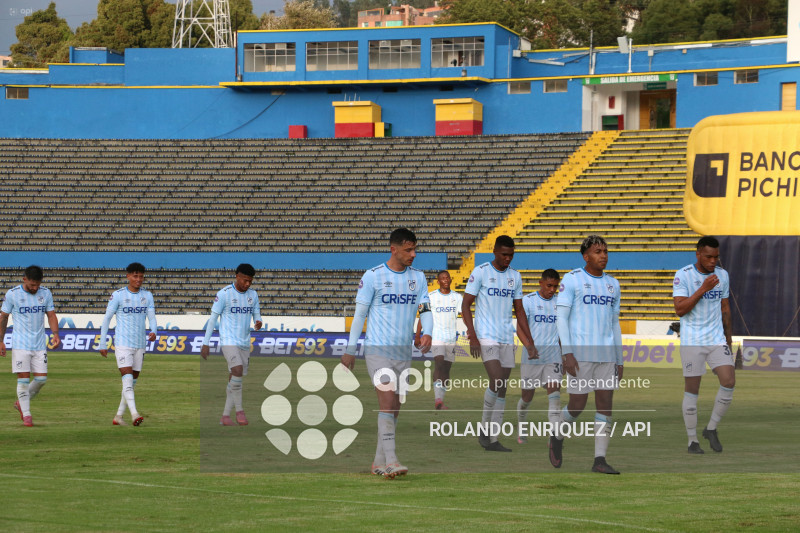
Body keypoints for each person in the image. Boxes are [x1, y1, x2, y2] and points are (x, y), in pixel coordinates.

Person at [341, 228, 433, 479]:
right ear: (394, 249)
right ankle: (392, 461)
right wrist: (350, 350)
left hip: (403, 352)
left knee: (395, 408)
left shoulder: (419, 278)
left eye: (415, 249)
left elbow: (425, 308)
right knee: (387, 401)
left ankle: (378, 461)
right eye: (408, 250)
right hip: (377, 350)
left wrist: (428, 331)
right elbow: (360, 314)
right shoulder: (373, 276)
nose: (413, 254)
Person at [555, 235, 623, 474]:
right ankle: (556, 434)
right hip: (580, 354)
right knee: (577, 405)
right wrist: (567, 353)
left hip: (606, 356)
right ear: (586, 256)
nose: (603, 255)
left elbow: (615, 323)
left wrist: (619, 358)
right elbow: (561, 318)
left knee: (605, 404)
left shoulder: (613, 284)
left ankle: (600, 460)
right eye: (597, 251)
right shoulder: (572, 280)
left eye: (605, 251)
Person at [462, 235, 535, 452]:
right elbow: (466, 305)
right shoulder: (481, 272)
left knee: (502, 389)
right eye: (504, 254)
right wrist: (473, 335)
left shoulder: (515, 276)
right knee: (496, 379)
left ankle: (493, 439)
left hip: (506, 337)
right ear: (494, 251)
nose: (508, 258)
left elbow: (519, 310)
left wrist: (529, 341)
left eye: (511, 255)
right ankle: (484, 430)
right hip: (486, 335)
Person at [673, 236, 734, 454]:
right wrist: (702, 289)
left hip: (716, 339)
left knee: (729, 381)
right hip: (692, 341)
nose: (713, 262)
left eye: (716, 257)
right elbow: (679, 310)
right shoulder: (683, 275)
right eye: (708, 257)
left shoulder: (723, 275)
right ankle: (692, 441)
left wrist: (729, 339)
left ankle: (711, 428)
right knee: (692, 391)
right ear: (698, 254)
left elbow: (725, 307)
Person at [200, 264, 262, 427]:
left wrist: (258, 321)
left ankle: (225, 416)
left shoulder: (253, 295)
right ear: (237, 276)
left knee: (235, 378)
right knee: (237, 370)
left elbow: (256, 312)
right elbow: (213, 319)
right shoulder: (224, 294)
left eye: (250, 281)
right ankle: (240, 412)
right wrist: (205, 343)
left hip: (244, 341)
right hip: (228, 340)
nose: (247, 284)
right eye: (245, 280)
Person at [98, 262, 158, 426]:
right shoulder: (117, 295)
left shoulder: (147, 296)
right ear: (128, 276)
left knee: (131, 383)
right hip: (123, 344)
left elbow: (151, 317)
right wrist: (102, 343)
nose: (138, 279)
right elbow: (106, 320)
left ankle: (118, 416)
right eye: (135, 276)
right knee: (127, 379)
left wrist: (154, 331)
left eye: (141, 276)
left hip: (140, 344)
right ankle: (134, 414)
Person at [0, 265, 59, 427]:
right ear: (24, 279)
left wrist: (55, 334)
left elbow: (51, 314)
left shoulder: (45, 293)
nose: (35, 288)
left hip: (39, 345)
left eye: (37, 285)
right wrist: (1, 340)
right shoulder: (13, 294)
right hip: (20, 345)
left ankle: (21, 402)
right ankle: (27, 415)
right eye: (32, 285)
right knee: (24, 380)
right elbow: (3, 317)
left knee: (41, 379)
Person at [516, 268, 564, 468]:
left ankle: (554, 437)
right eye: (549, 286)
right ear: (541, 283)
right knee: (527, 396)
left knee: (554, 395)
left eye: (555, 286)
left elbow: (563, 332)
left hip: (553, 357)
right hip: (532, 357)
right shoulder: (528, 301)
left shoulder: (561, 304)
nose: (552, 290)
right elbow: (520, 327)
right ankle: (521, 426)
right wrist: (529, 346)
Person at [414, 270, 462, 410]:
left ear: (450, 280)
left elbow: (464, 315)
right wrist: (418, 336)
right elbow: (423, 316)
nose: (446, 280)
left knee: (447, 369)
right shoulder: (430, 297)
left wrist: (471, 331)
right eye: (442, 278)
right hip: (437, 336)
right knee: (439, 363)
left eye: (447, 278)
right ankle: (437, 400)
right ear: (438, 281)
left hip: (452, 337)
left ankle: (441, 400)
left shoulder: (457, 297)